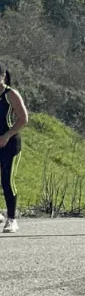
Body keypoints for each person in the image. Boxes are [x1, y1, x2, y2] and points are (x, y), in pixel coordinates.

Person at [0, 62, 29, 234]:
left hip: (10, 143)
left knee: (7, 181)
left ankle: (12, 219)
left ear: (3, 76)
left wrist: (7, 135)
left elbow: (23, 118)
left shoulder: (10, 94)